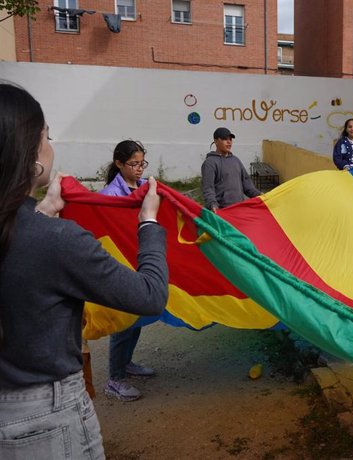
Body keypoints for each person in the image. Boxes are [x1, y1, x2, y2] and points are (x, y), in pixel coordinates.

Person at [0, 82, 168, 458]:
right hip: (44, 418)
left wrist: (42, 211)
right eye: (47, 135)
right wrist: (150, 224)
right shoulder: (56, 240)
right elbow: (150, 296)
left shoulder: (33, 232)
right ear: (31, 154)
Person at [100, 140, 157, 402]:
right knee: (122, 323)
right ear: (119, 164)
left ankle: (127, 363)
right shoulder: (111, 195)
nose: (139, 168)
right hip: (120, 265)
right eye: (133, 164)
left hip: (138, 262)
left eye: (142, 163)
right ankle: (115, 379)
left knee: (136, 319)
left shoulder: (145, 187)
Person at [201, 127, 261, 213]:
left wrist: (260, 195)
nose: (229, 142)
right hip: (223, 212)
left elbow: (247, 184)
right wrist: (212, 204)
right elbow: (208, 188)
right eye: (225, 139)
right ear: (216, 141)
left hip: (240, 209)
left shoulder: (236, 160)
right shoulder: (210, 163)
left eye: (230, 139)